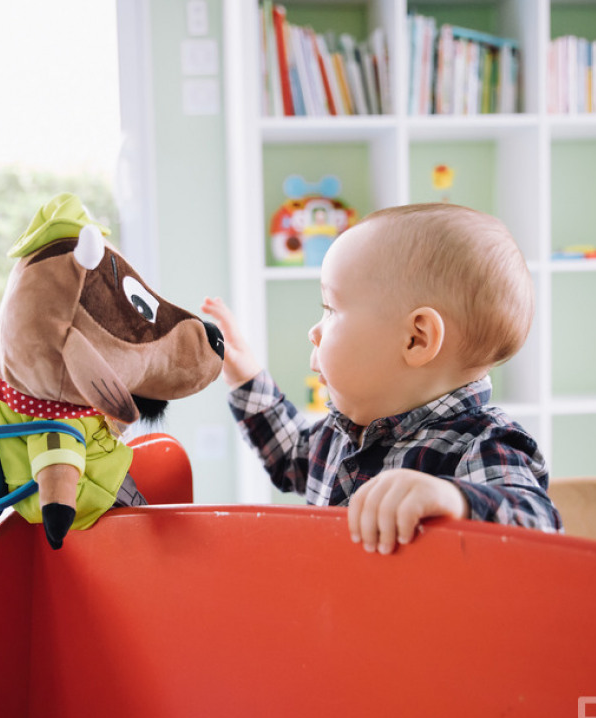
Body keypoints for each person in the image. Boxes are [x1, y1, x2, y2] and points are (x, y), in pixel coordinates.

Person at [202, 202, 561, 556]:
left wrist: (457, 500)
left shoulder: (480, 444)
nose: (314, 331)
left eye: (330, 309)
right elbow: (290, 454)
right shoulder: (341, 432)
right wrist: (246, 377)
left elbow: (541, 527)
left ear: (416, 339)